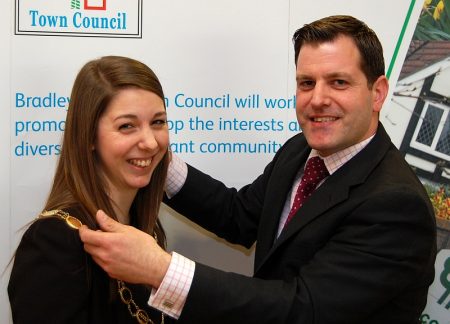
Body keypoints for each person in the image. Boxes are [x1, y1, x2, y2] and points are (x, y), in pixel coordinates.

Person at [79, 15, 437, 323]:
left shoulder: (395, 204)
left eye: (339, 82)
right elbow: (240, 216)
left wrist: (162, 271)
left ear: (378, 93)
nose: (317, 99)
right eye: (306, 83)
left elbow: (304, 310)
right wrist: (158, 158)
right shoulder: (301, 150)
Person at [8, 55, 175, 324]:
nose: (150, 143)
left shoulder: (147, 227)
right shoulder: (54, 241)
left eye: (158, 122)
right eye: (127, 126)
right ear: (88, 138)